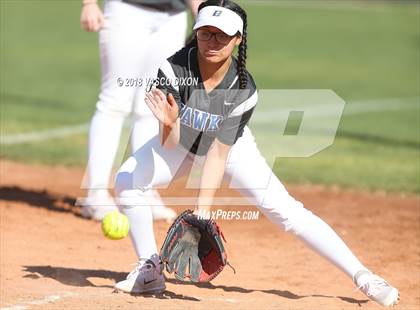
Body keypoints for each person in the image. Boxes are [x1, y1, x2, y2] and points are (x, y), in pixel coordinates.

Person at [112, 0, 399, 306]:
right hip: (180, 143)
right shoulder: (172, 70)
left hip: (230, 150)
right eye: (206, 33)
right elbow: (170, 144)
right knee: (127, 180)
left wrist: (202, 212)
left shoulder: (243, 90)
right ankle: (150, 268)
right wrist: (169, 125)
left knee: (286, 212)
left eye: (222, 35)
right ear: (195, 33)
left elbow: (218, 154)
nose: (213, 42)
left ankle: (364, 277)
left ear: (238, 39)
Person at [79, 0, 202, 221]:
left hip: (173, 17)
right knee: (114, 102)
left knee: (153, 102)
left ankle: (142, 189)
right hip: (126, 11)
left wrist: (200, 15)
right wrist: (88, 3)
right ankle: (96, 194)